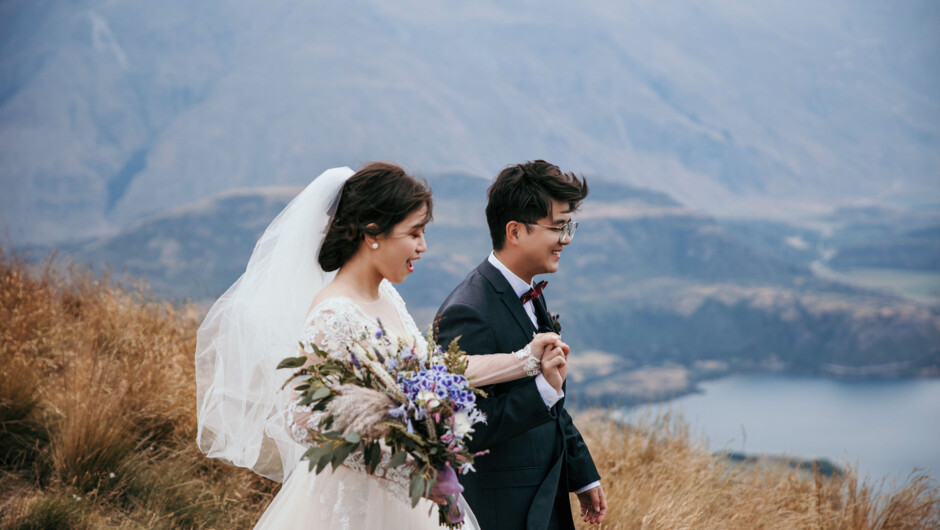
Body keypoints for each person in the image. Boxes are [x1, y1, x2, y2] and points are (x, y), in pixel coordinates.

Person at [195, 163, 568, 529]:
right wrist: (408, 465)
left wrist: (527, 360)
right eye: (415, 233)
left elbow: (434, 372)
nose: (423, 247)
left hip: (411, 502)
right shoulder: (333, 312)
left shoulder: (386, 295)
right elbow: (303, 421)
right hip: (356, 506)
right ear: (373, 233)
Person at [435, 160, 607, 529]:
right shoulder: (467, 311)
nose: (567, 239)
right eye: (559, 228)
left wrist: (583, 475)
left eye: (569, 226)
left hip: (546, 501)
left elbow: (554, 403)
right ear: (515, 231)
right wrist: (542, 389)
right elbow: (463, 428)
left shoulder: (528, 293)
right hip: (503, 511)